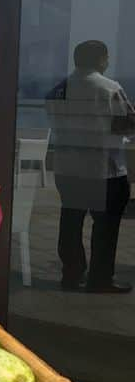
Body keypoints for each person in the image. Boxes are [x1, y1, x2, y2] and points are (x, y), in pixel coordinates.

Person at [46, 40, 134, 293]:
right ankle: (100, 278)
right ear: (100, 59)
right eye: (106, 57)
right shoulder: (109, 89)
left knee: (71, 221)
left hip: (67, 167)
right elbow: (128, 123)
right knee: (106, 226)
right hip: (103, 169)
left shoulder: (59, 89)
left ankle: (71, 274)